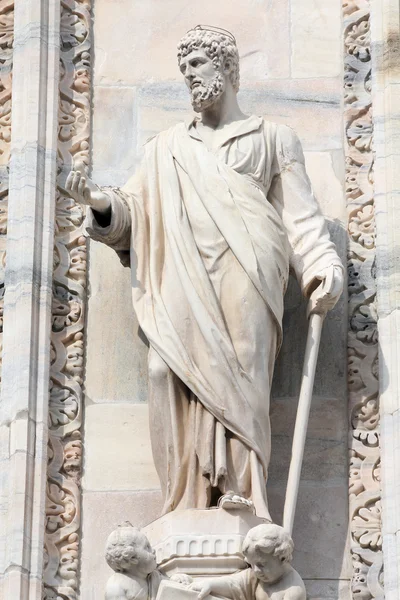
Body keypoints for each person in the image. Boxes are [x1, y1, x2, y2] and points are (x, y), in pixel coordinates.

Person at [66, 25, 343, 520]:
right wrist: (99, 202)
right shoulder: (165, 148)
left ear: (227, 67)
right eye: (184, 67)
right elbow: (134, 211)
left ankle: (244, 497)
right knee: (162, 370)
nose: (189, 75)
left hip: (248, 277)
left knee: (243, 377)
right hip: (180, 280)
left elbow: (300, 219)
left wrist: (322, 266)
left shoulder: (274, 139)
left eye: (198, 63)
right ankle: (183, 500)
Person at [186, 523, 306, 600]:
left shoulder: (293, 592)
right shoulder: (257, 575)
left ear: (282, 558)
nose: (256, 570)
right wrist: (210, 584)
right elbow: (233, 584)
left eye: (261, 564)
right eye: (251, 564)